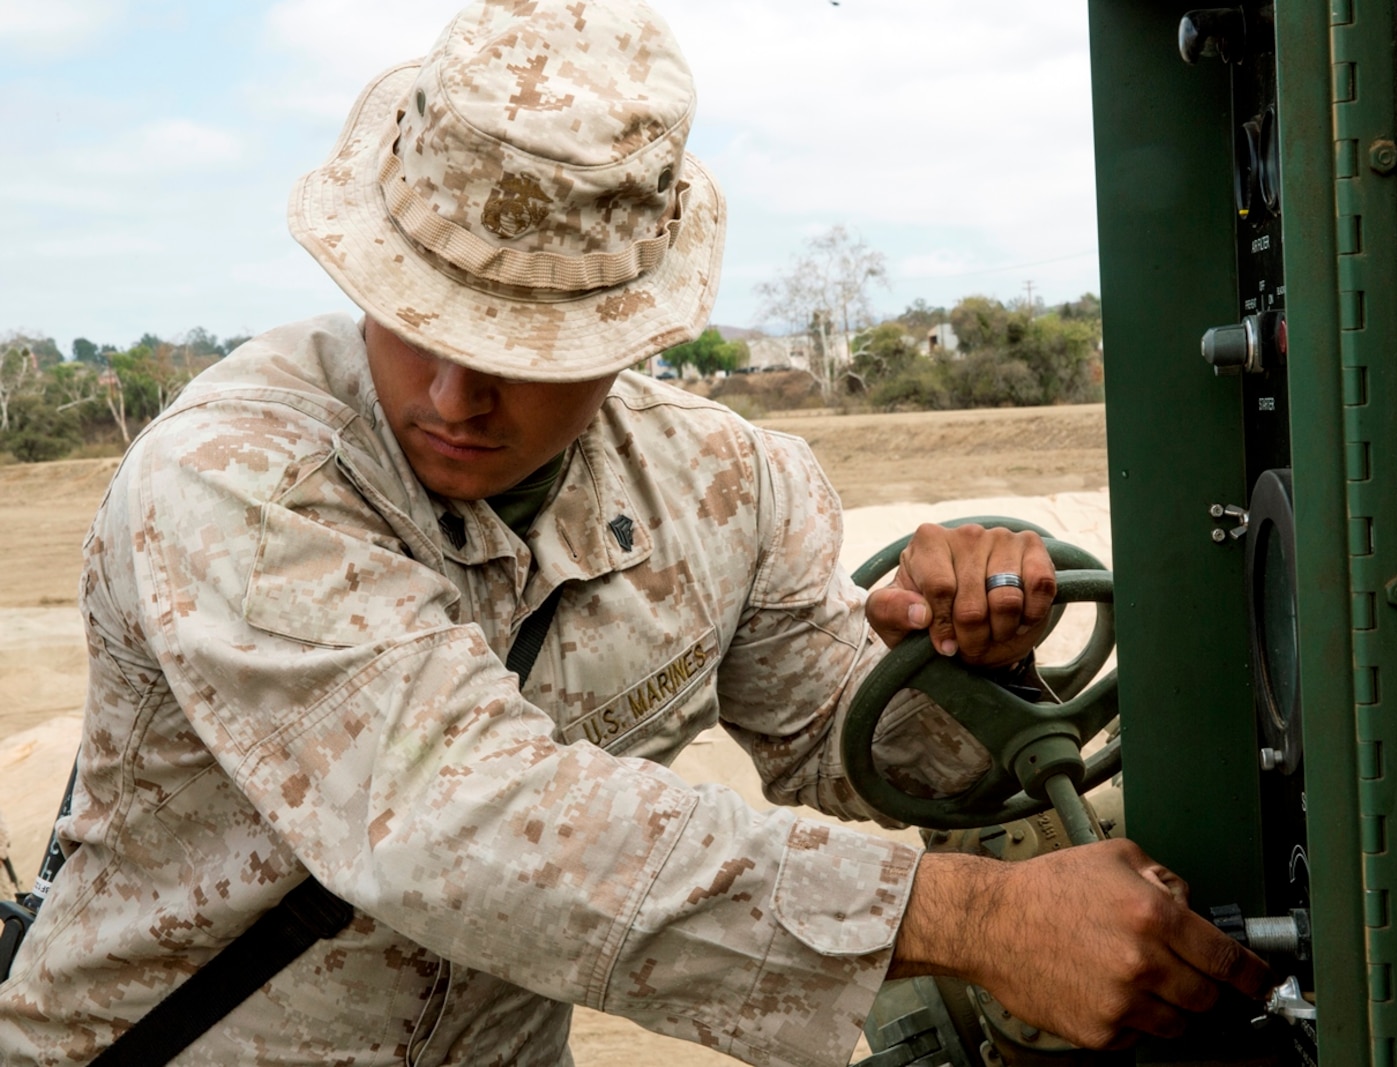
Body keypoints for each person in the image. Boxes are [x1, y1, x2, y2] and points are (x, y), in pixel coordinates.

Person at [0, 2, 1270, 1064]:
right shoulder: (236, 477)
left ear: (633, 330)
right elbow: (458, 820)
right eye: (418, 323)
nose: (454, 396)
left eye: (516, 350)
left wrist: (967, 654)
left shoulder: (724, 483)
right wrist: (968, 917)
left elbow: (850, 752)